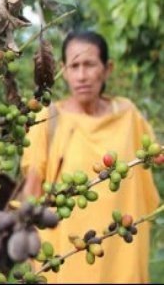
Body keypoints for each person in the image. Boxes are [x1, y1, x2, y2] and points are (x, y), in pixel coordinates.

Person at [20, 30, 160, 283]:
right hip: (65, 255)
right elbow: (31, 189)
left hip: (122, 253)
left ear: (107, 69)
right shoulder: (48, 119)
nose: (82, 76)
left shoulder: (127, 115)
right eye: (74, 66)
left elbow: (155, 156)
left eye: (90, 65)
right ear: (63, 69)